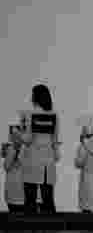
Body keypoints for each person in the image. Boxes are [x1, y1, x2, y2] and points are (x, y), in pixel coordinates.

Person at [18, 84, 61, 214]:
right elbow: (55, 140)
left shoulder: (29, 114)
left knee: (30, 199)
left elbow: (28, 139)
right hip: (48, 160)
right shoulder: (54, 115)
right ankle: (52, 231)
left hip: (32, 159)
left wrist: (17, 132)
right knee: (48, 199)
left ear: (35, 97)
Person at [73, 120, 93, 213]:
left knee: (87, 208)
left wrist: (81, 144)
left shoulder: (84, 145)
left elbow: (79, 163)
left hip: (87, 179)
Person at [2, 123, 26, 212]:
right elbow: (6, 167)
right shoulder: (10, 149)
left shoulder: (28, 149)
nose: (16, 137)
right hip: (11, 194)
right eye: (13, 135)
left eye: (18, 135)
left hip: (25, 195)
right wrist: (14, 150)